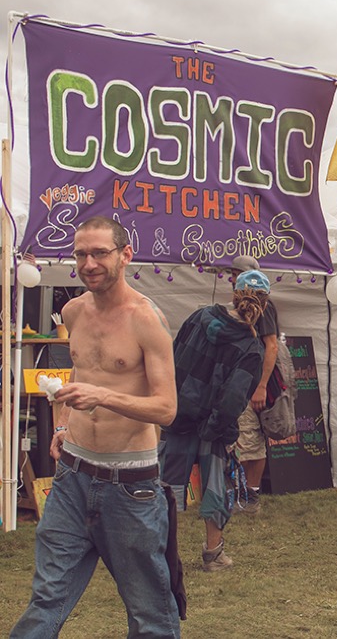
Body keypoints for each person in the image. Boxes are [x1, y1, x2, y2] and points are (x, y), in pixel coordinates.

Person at [12, 216, 182, 637]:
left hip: (130, 487)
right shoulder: (73, 311)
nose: (89, 263)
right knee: (46, 598)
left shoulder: (146, 319)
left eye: (100, 253)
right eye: (81, 254)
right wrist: (63, 424)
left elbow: (166, 409)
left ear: (125, 255)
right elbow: (82, 373)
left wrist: (103, 397)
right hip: (71, 477)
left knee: (149, 614)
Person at [160, 270, 270, 572]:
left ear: (234, 293)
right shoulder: (251, 348)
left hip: (178, 416)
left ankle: (158, 553)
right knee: (215, 489)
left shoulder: (200, 317)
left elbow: (171, 358)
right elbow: (233, 399)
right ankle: (213, 554)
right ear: (265, 304)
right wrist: (215, 429)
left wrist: (171, 403)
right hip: (212, 428)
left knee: (166, 488)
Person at [229, 255, 282, 514]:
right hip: (241, 383)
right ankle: (243, 494)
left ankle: (251, 496)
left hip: (253, 384)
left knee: (252, 440)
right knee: (242, 439)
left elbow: (271, 346)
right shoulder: (242, 305)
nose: (231, 278)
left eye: (236, 274)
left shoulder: (264, 305)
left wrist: (261, 386)